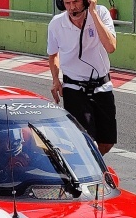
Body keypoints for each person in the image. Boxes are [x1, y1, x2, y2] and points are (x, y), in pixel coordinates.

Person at [47, 0, 117, 156]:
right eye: (67, 3)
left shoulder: (101, 13)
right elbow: (53, 55)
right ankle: (89, 172)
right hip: (74, 88)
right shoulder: (56, 24)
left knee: (107, 141)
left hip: (102, 85)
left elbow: (111, 46)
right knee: (84, 141)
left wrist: (93, 13)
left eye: (76, 2)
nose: (72, 7)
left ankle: (91, 165)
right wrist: (55, 80)